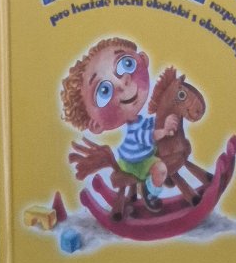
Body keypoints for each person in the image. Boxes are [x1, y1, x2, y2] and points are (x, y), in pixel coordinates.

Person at [61, 38, 176, 212]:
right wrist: (164, 130)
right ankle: (150, 193)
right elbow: (147, 136)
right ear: (96, 125)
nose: (122, 83)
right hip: (135, 162)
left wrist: (165, 122)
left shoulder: (140, 120)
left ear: (143, 59)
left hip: (143, 154)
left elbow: (151, 125)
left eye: (126, 64)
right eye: (104, 91)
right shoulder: (133, 126)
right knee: (160, 169)